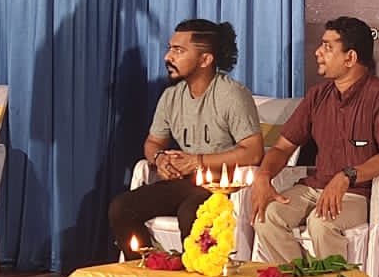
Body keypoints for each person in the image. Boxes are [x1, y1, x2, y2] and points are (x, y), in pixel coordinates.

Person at [250, 16, 379, 265]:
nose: (317, 52)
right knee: (266, 216)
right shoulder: (318, 95)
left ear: (350, 57)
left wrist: (347, 176)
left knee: (321, 223)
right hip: (314, 187)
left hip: (357, 193)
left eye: (327, 47)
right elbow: (282, 147)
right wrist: (263, 175)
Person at [107, 20, 263, 252]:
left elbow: (253, 152)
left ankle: (196, 272)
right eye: (170, 48)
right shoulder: (171, 96)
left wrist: (197, 161)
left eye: (178, 50)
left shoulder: (232, 95)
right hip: (184, 183)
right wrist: (159, 158)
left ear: (205, 60)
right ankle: (151, 267)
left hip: (222, 187)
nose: (168, 57)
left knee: (192, 212)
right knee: (122, 207)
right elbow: (153, 142)